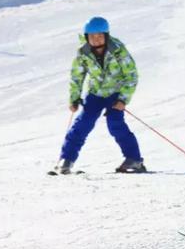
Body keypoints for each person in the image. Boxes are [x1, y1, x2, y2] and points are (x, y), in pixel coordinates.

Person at [53, 16, 146, 174]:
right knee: (82, 124)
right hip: (96, 94)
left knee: (115, 124)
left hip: (115, 93)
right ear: (86, 37)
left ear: (106, 36)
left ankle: (134, 159)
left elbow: (131, 75)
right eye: (92, 36)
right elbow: (77, 76)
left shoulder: (118, 50)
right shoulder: (83, 52)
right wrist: (74, 98)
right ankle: (66, 160)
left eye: (100, 36)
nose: (96, 40)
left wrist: (123, 99)